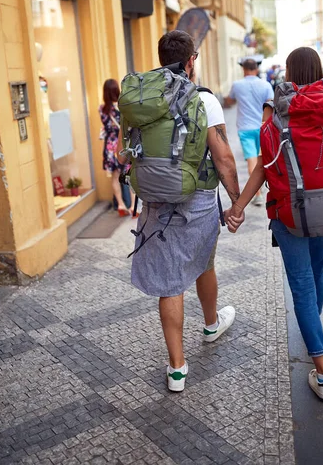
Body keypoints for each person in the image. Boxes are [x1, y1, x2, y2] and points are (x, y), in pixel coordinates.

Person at [226, 47, 323, 402]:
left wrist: (239, 207)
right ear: (320, 71)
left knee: (303, 288)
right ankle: (314, 334)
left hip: (289, 218)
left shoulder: (278, 120)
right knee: (316, 272)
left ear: (289, 74)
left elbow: (264, 167)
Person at [118, 30, 244, 392]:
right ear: (191, 61)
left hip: (155, 201)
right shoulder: (204, 100)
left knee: (170, 282)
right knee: (204, 260)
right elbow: (223, 159)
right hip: (198, 198)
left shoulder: (144, 98)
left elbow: (126, 152)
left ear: (162, 59)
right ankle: (210, 324)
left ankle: (177, 369)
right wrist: (236, 203)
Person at [225, 59, 274, 206]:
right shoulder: (265, 85)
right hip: (263, 126)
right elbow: (271, 104)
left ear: (244, 70)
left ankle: (257, 194)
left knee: (252, 160)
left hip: (245, 128)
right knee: (266, 158)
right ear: (256, 70)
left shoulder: (237, 85)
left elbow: (229, 101)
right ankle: (268, 189)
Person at [100, 79, 135, 217]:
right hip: (123, 144)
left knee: (115, 177)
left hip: (110, 147)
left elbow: (106, 127)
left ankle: (120, 204)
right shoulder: (124, 107)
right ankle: (133, 206)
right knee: (129, 176)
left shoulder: (102, 109)